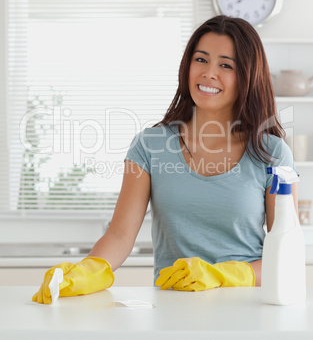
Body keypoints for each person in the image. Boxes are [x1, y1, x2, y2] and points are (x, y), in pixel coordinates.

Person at [32, 15, 298, 303]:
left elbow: (288, 254)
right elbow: (120, 235)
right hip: (172, 308)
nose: (209, 73)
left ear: (248, 75)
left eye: (225, 65)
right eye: (201, 59)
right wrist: (88, 271)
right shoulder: (150, 146)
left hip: (249, 308)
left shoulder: (272, 153)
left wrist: (226, 274)